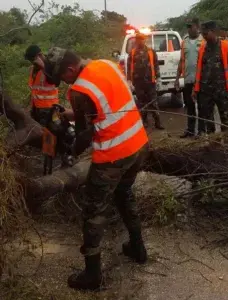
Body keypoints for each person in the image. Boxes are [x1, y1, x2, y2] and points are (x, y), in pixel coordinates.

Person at [44, 47, 149, 291]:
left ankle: (92, 274)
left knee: (93, 211)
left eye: (62, 77)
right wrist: (67, 114)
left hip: (114, 155)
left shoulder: (79, 90)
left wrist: (68, 144)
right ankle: (138, 247)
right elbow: (101, 109)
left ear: (70, 69)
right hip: (138, 145)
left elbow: (84, 135)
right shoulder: (105, 65)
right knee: (124, 194)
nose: (62, 83)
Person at [193, 21, 228, 142]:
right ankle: (214, 144)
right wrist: (195, 89)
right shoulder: (202, 47)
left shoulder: (225, 46)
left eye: (206, 33)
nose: (204, 36)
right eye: (203, 34)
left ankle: (226, 145)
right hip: (205, 91)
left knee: (225, 118)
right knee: (208, 119)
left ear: (213, 32)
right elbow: (199, 70)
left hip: (221, 89)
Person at [175, 18, 215, 138]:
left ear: (197, 27)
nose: (188, 28)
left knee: (202, 107)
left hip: (201, 81)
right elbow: (182, 60)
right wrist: (177, 78)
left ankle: (201, 131)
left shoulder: (204, 40)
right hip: (188, 80)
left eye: (190, 26)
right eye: (187, 26)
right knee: (190, 107)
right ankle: (190, 130)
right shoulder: (184, 42)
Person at [127, 33, 164, 130]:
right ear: (136, 40)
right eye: (138, 39)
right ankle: (144, 123)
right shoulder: (132, 53)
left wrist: (159, 78)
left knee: (153, 103)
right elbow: (129, 67)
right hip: (138, 83)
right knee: (142, 103)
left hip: (150, 82)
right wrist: (129, 81)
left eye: (142, 39)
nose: (140, 41)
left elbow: (156, 65)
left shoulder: (151, 51)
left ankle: (158, 123)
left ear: (145, 40)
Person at [24, 45, 59, 126]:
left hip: (51, 108)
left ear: (39, 55)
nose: (31, 62)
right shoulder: (33, 69)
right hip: (36, 107)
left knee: (53, 131)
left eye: (32, 59)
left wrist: (43, 67)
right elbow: (34, 90)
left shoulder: (50, 66)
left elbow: (55, 81)